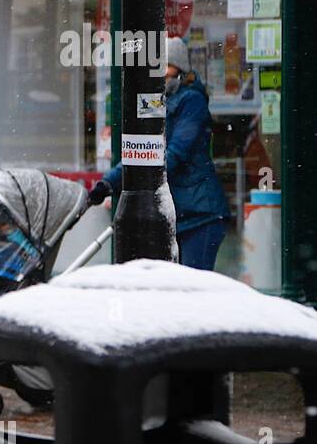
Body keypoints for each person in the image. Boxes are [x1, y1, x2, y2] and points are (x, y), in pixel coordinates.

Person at [89, 36, 231, 269]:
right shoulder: (154, 102)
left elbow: (174, 154)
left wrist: (133, 176)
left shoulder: (192, 101)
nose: (160, 72)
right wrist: (107, 183)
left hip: (200, 215)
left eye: (165, 66)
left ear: (181, 70)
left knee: (193, 291)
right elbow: (140, 149)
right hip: (174, 216)